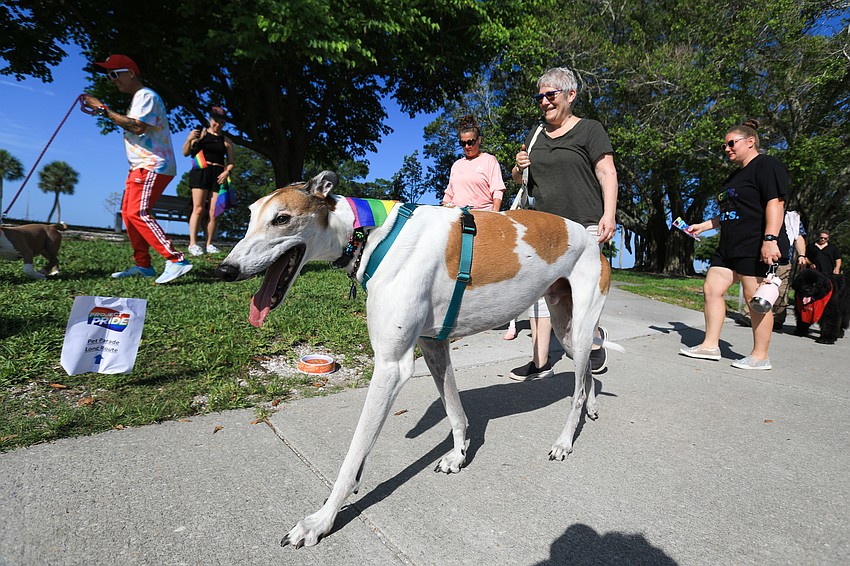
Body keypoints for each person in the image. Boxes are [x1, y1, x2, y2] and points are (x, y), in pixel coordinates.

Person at [508, 67, 618, 380]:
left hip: (584, 226)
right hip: (542, 231)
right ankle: (539, 359)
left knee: (580, 296)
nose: (544, 101)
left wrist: (608, 214)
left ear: (570, 95)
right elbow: (522, 180)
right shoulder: (536, 135)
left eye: (550, 95)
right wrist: (518, 168)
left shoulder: (590, 130)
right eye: (540, 96)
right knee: (543, 295)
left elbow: (606, 173)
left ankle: (592, 342)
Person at [679, 119, 789, 370]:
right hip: (730, 244)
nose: (727, 149)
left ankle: (760, 356)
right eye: (724, 146)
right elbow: (730, 212)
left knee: (755, 298)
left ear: (750, 142)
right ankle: (709, 345)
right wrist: (704, 226)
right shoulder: (734, 176)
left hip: (754, 242)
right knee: (712, 288)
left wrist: (770, 239)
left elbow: (776, 202)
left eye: (731, 143)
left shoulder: (766, 165)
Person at [81, 54, 192, 284]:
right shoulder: (138, 98)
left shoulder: (146, 96)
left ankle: (176, 260)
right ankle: (143, 265)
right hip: (140, 167)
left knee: (138, 213)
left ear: (130, 72)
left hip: (153, 165)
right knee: (129, 216)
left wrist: (103, 108)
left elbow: (137, 127)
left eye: (114, 73)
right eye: (108, 75)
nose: (111, 79)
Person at [736, 210, 807, 331]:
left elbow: (798, 237)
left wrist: (801, 255)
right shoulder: (762, 213)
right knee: (755, 287)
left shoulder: (792, 218)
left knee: (780, 291)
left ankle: (778, 318)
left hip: (782, 261)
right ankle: (750, 315)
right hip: (762, 259)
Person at [182, 106, 235, 256]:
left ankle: (209, 243)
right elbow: (186, 152)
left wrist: (227, 171)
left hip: (218, 174)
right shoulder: (201, 135)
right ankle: (192, 243)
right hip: (201, 171)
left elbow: (231, 162)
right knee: (198, 208)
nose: (217, 124)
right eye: (215, 121)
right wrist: (189, 138)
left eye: (221, 122)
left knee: (214, 212)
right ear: (210, 120)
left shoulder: (226, 140)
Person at [442, 114, 505, 212]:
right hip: (457, 217)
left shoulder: (489, 160)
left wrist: (495, 214)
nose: (467, 146)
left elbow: (497, 190)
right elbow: (448, 195)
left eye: (470, 142)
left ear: (478, 140)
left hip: (483, 216)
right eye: (463, 143)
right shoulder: (456, 165)